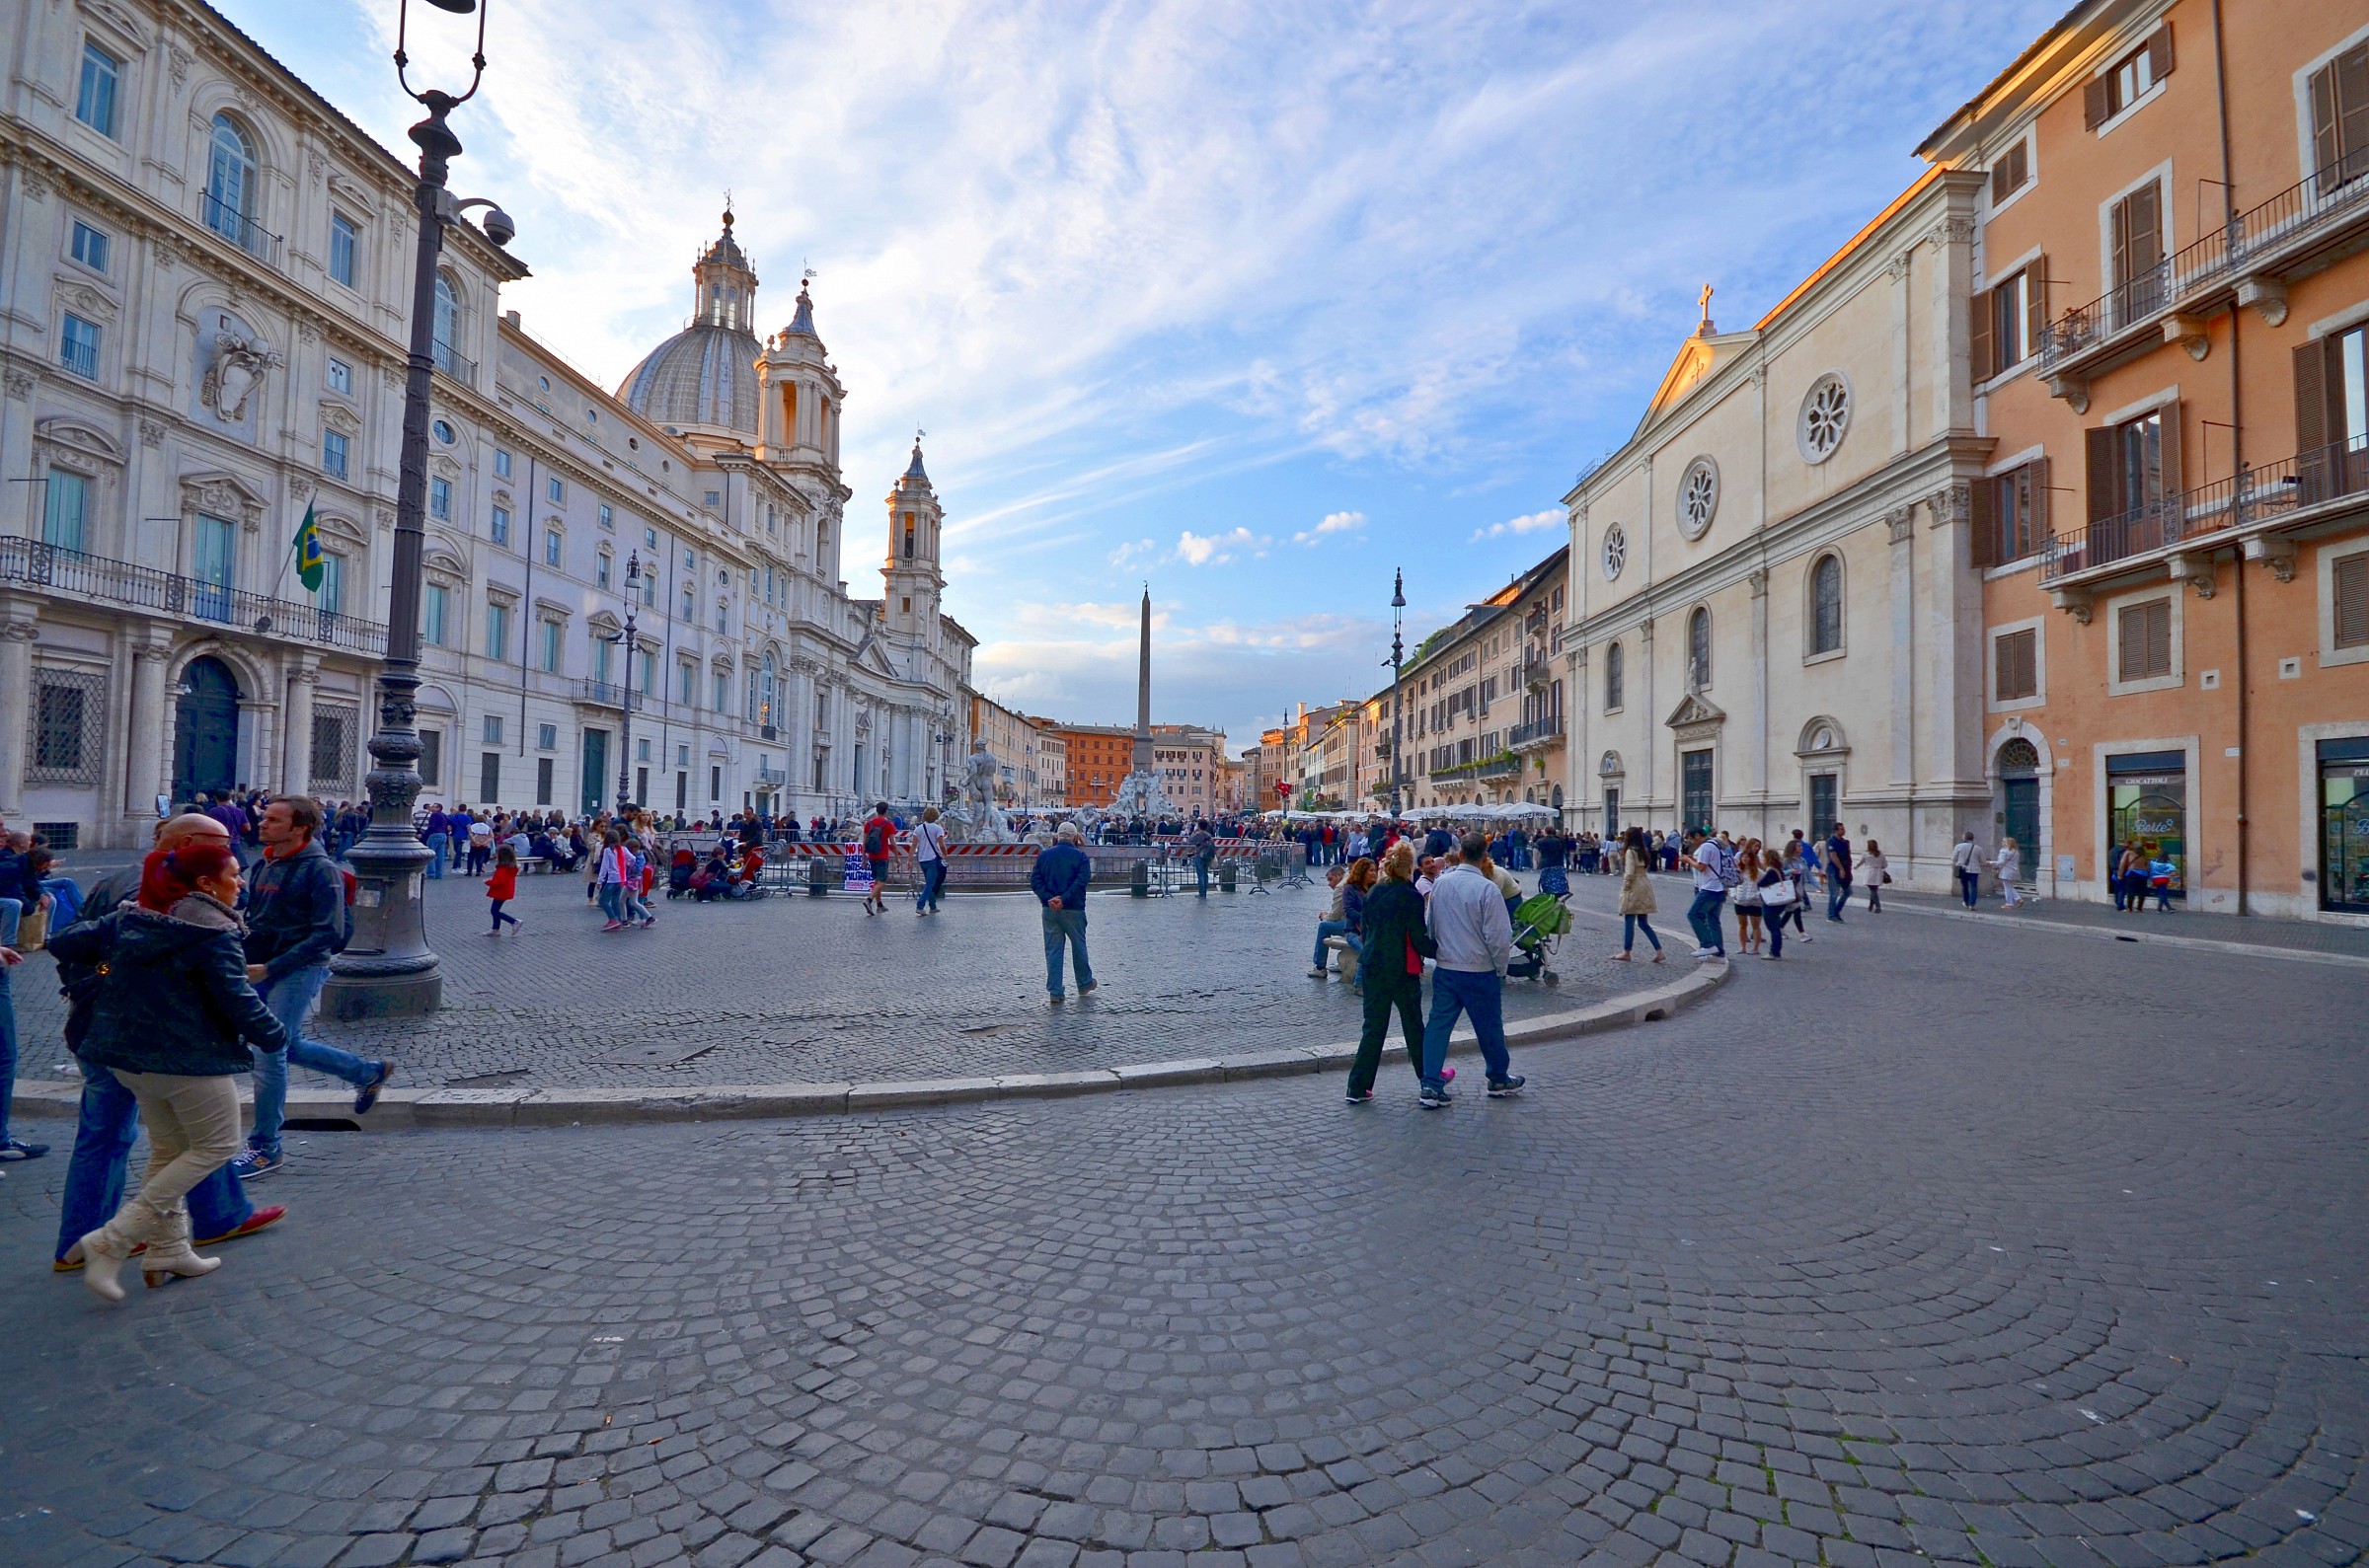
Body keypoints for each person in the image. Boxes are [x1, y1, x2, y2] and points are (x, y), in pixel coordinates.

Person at [51, 839, 290, 1302]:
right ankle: (110, 1241)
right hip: (188, 1060)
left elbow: (61, 940)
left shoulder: (132, 915)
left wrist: (108, 972)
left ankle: (168, 1248)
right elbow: (237, 1000)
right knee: (216, 1145)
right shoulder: (212, 931)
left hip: (132, 1059)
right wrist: (278, 1038)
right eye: (234, 874)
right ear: (205, 883)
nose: (242, 882)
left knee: (168, 1150)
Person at [232, 796, 390, 1181]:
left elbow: (329, 934)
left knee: (269, 1050)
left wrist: (270, 967)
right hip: (264, 965)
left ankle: (265, 1147)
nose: (262, 823)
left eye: (273, 819)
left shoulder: (321, 871)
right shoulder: (265, 861)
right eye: (264, 817)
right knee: (288, 1043)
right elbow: (258, 918)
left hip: (300, 967)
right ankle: (366, 1072)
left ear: (299, 827)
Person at [1416, 832, 1522, 1109]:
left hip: (1447, 966)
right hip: (1479, 969)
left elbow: (1431, 923)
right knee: (1489, 1027)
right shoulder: (1488, 889)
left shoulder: (1440, 884)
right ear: (1484, 856)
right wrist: (1500, 969)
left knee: (1438, 1026)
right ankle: (1498, 1078)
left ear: (1460, 854)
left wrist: (1440, 952)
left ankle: (1430, 1083)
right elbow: (1499, 937)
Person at [1346, 842, 1433, 1103]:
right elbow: (1419, 938)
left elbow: (1366, 925)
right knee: (1413, 1026)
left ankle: (1357, 1087)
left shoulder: (1374, 892)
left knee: (1373, 1028)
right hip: (1400, 968)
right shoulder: (1410, 895)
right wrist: (1440, 951)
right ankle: (1428, 1081)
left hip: (1373, 964)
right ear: (1409, 867)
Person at [1031, 821, 1097, 1003]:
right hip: (1074, 909)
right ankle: (1084, 983)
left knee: (1053, 950)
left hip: (1049, 909)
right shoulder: (1080, 857)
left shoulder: (1044, 856)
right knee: (1079, 946)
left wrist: (1049, 899)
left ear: (1056, 836)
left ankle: (1055, 991)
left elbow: (1035, 881)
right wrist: (1064, 898)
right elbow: (1081, 881)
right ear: (1076, 837)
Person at [1612, 826, 1664, 962]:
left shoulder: (1630, 851)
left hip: (1634, 885)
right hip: (1644, 884)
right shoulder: (1642, 850)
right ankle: (1659, 950)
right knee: (1643, 923)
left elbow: (1629, 871)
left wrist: (1626, 886)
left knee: (1629, 919)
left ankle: (1626, 951)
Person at [1681, 833, 1729, 959]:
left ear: (1697, 836)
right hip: (1720, 887)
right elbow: (1708, 864)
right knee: (1713, 919)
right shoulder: (1715, 845)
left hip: (1710, 888)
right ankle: (1718, 951)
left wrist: (1688, 860)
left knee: (1693, 914)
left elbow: (1701, 867)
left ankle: (1707, 945)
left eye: (1690, 839)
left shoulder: (1705, 847)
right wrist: (1694, 860)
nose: (1690, 842)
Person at [1308, 864, 1350, 978]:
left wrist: (1324, 917)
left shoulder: (1340, 887)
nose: (1329, 884)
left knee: (1324, 926)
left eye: (1331, 879)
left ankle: (1320, 967)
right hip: (1361, 921)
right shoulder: (1349, 878)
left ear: (1339, 875)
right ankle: (1342, 962)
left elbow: (1335, 915)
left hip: (1356, 925)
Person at [861, 801, 896, 917]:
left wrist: (863, 859)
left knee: (877, 881)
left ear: (876, 810)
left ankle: (879, 905)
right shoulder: (888, 824)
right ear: (886, 811)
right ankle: (869, 900)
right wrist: (897, 857)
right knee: (882, 882)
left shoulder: (868, 824)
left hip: (872, 855)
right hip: (882, 856)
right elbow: (893, 843)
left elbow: (864, 843)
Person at [1753, 852, 1791, 960]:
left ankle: (1774, 952)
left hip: (1772, 902)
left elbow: (1761, 883)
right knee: (1776, 926)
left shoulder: (1771, 871)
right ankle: (1776, 951)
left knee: (1773, 927)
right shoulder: (1778, 870)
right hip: (1779, 901)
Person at [912, 805, 949, 915]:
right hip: (932, 858)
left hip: (922, 859)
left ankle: (932, 906)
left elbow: (914, 845)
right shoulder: (937, 828)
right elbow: (941, 845)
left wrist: (909, 859)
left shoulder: (919, 828)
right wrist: (945, 854)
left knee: (929, 882)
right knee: (930, 884)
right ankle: (920, 905)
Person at [1732, 840, 1766, 955]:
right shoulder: (1738, 871)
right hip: (1740, 900)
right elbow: (1733, 884)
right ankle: (1743, 947)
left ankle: (1755, 948)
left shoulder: (1759, 872)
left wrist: (1758, 895)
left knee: (1755, 926)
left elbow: (1765, 884)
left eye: (1747, 857)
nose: (1745, 859)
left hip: (1754, 902)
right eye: (1743, 857)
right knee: (1742, 925)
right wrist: (1734, 894)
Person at [486, 845, 521, 933]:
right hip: (505, 891)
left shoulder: (502, 869)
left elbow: (499, 882)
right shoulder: (510, 867)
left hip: (501, 891)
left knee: (494, 911)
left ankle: (513, 921)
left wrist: (488, 882)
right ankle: (495, 929)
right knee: (495, 910)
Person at [1822, 822, 1853, 923]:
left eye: (1843, 829)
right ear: (1836, 830)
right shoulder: (1831, 841)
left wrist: (1847, 869)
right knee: (1834, 893)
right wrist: (1840, 868)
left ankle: (1836, 911)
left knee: (1848, 892)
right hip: (1834, 870)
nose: (1843, 831)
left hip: (1845, 870)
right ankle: (1831, 915)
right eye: (1841, 829)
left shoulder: (1845, 842)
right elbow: (1833, 856)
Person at [1951, 832, 1982, 908]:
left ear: (1964, 838)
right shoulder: (1978, 848)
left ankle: (1966, 901)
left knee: (1964, 886)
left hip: (1963, 869)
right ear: (1972, 838)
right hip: (1974, 870)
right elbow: (1982, 860)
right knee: (1973, 887)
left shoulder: (1959, 846)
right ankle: (1972, 904)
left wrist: (1959, 862)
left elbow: (1953, 858)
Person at [1991, 836, 2023, 908]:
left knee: (2007, 887)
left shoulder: (2004, 851)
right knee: (2009, 886)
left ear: (2006, 843)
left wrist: (1990, 863)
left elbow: (2001, 862)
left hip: (2006, 871)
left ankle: (2009, 903)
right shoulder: (2016, 852)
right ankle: (2018, 899)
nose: (2002, 843)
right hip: (2014, 870)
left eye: (2003, 841)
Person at [1858, 840, 1889, 913]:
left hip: (1869, 873)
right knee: (1874, 890)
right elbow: (1885, 865)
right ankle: (1871, 905)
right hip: (1878, 873)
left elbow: (1860, 862)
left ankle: (1878, 906)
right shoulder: (1881, 854)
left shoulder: (1866, 854)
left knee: (1873, 890)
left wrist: (1855, 867)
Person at [1189, 820, 1216, 897]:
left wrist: (1193, 832)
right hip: (1207, 855)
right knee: (1205, 873)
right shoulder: (1209, 835)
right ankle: (1205, 891)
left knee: (1200, 874)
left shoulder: (1198, 834)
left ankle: (1202, 893)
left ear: (1199, 826)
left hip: (1199, 855)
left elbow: (1190, 840)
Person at [422, 804, 449, 880]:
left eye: (434, 806)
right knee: (440, 855)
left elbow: (431, 827)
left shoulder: (434, 815)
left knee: (431, 854)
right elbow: (452, 824)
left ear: (438, 808)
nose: (431, 807)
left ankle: (431, 873)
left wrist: (424, 835)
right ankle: (439, 873)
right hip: (443, 835)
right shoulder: (444, 815)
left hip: (435, 834)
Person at [2149, 846, 2178, 911]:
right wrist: (2169, 875)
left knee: (2161, 892)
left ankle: (2168, 907)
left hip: (2155, 878)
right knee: (2163, 893)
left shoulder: (2153, 862)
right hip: (2163, 879)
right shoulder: (2167, 863)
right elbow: (2173, 872)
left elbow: (2150, 868)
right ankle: (2159, 908)